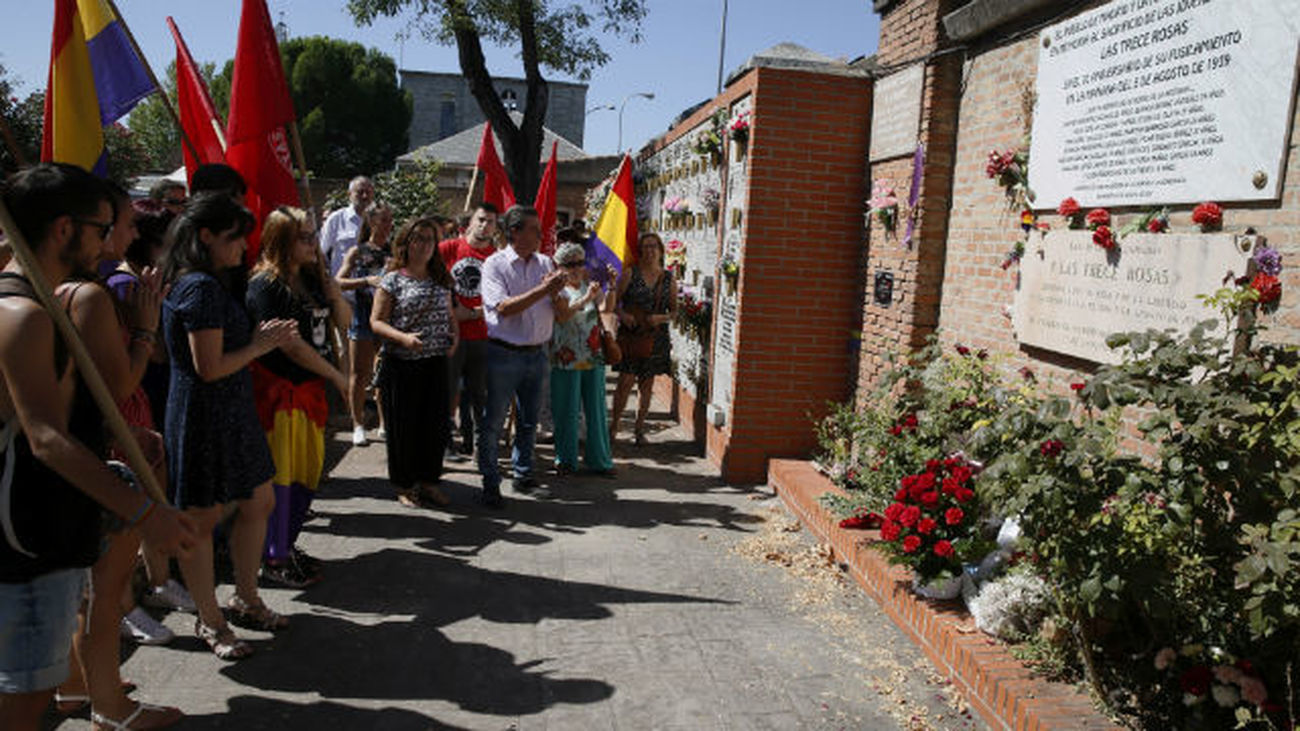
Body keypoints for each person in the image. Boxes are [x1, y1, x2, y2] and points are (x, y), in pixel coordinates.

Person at [0, 163, 195, 731]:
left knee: (36, 685)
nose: (109, 241)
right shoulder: (23, 313)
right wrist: (145, 513)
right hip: (28, 532)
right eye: (102, 227)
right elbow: (44, 437)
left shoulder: (37, 302)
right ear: (64, 229)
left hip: (46, 521)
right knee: (25, 697)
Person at [160, 192, 298, 661]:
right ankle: (210, 619)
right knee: (200, 522)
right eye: (235, 237)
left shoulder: (209, 283)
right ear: (206, 237)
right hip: (203, 416)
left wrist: (258, 342)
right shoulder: (198, 288)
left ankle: (245, 598)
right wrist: (261, 345)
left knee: (259, 500)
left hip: (232, 411)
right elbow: (210, 367)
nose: (244, 246)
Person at [247, 207, 351, 588]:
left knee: (306, 475)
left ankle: (285, 545)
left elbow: (344, 323)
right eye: (304, 237)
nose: (313, 244)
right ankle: (273, 556)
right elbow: (290, 346)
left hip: (311, 394)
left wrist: (335, 295)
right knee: (282, 480)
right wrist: (336, 376)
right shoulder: (265, 285)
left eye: (314, 236)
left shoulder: (312, 278)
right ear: (281, 240)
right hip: (280, 396)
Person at [477, 205, 566, 508]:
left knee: (529, 421)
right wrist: (544, 289)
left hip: (537, 355)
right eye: (534, 230)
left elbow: (561, 313)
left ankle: (523, 475)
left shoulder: (545, 263)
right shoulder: (495, 264)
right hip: (503, 354)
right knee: (494, 422)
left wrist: (558, 293)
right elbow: (503, 308)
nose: (541, 236)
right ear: (514, 232)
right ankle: (490, 483)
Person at [370, 218, 458, 508]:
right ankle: (405, 485)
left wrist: (455, 336)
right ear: (405, 243)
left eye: (430, 239)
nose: (424, 245)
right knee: (404, 428)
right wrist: (403, 338)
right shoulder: (392, 280)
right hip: (402, 364)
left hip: (435, 362)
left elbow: (450, 314)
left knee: (434, 426)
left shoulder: (441, 278)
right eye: (418, 239)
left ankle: (429, 481)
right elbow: (376, 322)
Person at [548, 243, 615, 476]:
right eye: (570, 264)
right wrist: (587, 298)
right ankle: (566, 460)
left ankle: (600, 460)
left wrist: (611, 286)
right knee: (566, 410)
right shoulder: (557, 290)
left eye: (579, 263)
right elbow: (563, 315)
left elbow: (606, 308)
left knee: (596, 410)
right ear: (560, 267)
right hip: (565, 358)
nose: (576, 268)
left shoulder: (589, 286)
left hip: (592, 356)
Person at [439, 202, 498, 456]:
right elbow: (430, 281)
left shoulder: (496, 258)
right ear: (470, 222)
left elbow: (501, 300)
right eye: (481, 219)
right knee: (446, 392)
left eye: (490, 222)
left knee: (480, 397)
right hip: (450, 336)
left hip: (483, 338)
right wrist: (452, 312)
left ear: (496, 227)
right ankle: (443, 444)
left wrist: (473, 313)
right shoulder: (448, 248)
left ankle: (478, 447)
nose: (484, 225)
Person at [610, 233, 677, 446]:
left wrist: (661, 318)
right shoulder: (631, 273)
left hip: (655, 336)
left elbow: (675, 312)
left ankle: (639, 429)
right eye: (646, 247)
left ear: (661, 250)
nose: (650, 251)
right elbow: (615, 303)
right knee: (625, 382)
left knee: (647, 385)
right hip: (631, 335)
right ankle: (614, 426)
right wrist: (623, 315)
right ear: (640, 251)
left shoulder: (668, 279)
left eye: (654, 246)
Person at [337, 202, 393, 446]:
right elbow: (338, 281)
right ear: (372, 222)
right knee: (360, 373)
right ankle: (358, 424)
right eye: (384, 220)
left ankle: (384, 423)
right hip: (362, 316)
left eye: (391, 220)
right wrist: (366, 281)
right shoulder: (357, 251)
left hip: (388, 318)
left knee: (386, 372)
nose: (389, 225)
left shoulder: (394, 251)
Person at [320, 176, 374, 277]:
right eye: (360, 192)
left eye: (368, 192)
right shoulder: (337, 219)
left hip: (371, 284)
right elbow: (321, 251)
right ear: (349, 194)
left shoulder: (377, 220)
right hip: (343, 284)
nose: (365, 196)